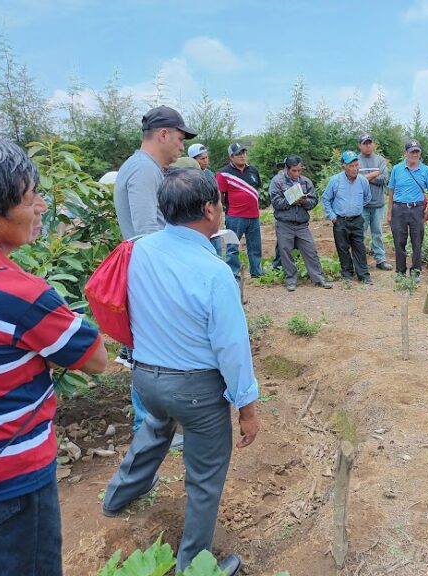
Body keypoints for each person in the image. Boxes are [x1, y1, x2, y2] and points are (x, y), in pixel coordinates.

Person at [0, 131, 108, 575]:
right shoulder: (17, 294)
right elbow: (95, 358)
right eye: (30, 198)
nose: (41, 206)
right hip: (8, 483)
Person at [102, 168, 258, 574]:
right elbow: (232, 348)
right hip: (195, 390)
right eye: (219, 204)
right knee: (204, 479)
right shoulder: (213, 272)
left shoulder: (137, 250)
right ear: (209, 209)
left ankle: (116, 497)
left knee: (156, 427)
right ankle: (194, 566)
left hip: (146, 378)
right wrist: (247, 407)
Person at [113, 105, 196, 438]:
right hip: (149, 276)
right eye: (179, 138)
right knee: (149, 356)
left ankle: (159, 425)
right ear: (163, 134)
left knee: (152, 353)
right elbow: (147, 232)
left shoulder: (144, 167)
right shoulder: (145, 170)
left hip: (147, 273)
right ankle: (150, 428)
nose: (181, 146)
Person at [269, 155, 333, 292]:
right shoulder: (277, 182)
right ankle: (291, 280)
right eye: (294, 171)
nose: (297, 173)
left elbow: (314, 201)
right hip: (284, 223)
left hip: (302, 224)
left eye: (299, 170)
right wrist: (291, 200)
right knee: (285, 252)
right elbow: (275, 202)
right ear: (287, 168)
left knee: (310, 251)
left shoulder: (305, 182)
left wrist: (304, 201)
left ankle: (319, 278)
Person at [386, 140, 428, 280]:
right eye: (412, 152)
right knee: (399, 241)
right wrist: (389, 212)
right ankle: (400, 272)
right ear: (405, 153)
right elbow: (391, 191)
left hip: (417, 209)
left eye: (417, 152)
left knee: (417, 241)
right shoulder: (397, 169)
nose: (414, 154)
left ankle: (416, 272)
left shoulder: (426, 171)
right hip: (399, 209)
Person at [322, 151, 372, 284]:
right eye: (351, 166)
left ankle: (364, 276)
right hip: (340, 220)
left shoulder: (363, 181)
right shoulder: (335, 181)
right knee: (342, 248)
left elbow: (367, 198)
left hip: (357, 219)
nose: (355, 169)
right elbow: (326, 199)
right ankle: (347, 274)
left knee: (359, 247)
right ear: (344, 167)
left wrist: (356, 208)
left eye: (356, 165)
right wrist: (332, 216)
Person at [217, 143, 263, 279]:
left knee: (255, 246)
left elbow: (257, 189)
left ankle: (256, 271)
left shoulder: (253, 171)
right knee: (232, 246)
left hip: (254, 216)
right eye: (238, 153)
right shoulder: (223, 174)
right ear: (231, 157)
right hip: (235, 216)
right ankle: (233, 273)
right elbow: (221, 196)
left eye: (244, 152)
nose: (242, 156)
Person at [357, 133, 392, 271]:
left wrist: (365, 177)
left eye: (370, 142)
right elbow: (354, 179)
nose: (368, 145)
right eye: (365, 143)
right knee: (361, 234)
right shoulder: (356, 161)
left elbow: (384, 179)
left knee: (377, 233)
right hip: (361, 205)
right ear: (359, 145)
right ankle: (360, 261)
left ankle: (380, 260)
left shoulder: (380, 160)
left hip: (378, 204)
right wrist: (373, 174)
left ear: (373, 144)